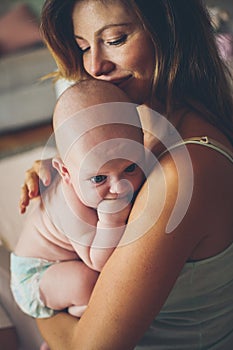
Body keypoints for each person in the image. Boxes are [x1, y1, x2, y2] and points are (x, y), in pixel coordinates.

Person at [19, 0, 233, 349]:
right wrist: (63, 184)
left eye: (116, 39)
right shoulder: (144, 128)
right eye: (84, 46)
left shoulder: (185, 172)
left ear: (170, 31)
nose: (94, 65)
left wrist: (33, 295)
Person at [11, 79, 146, 321]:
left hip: (69, 262)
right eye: (99, 178)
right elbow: (99, 261)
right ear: (66, 173)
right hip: (38, 274)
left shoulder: (94, 166)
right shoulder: (68, 204)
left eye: (131, 167)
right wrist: (112, 219)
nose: (119, 186)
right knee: (87, 282)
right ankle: (74, 315)